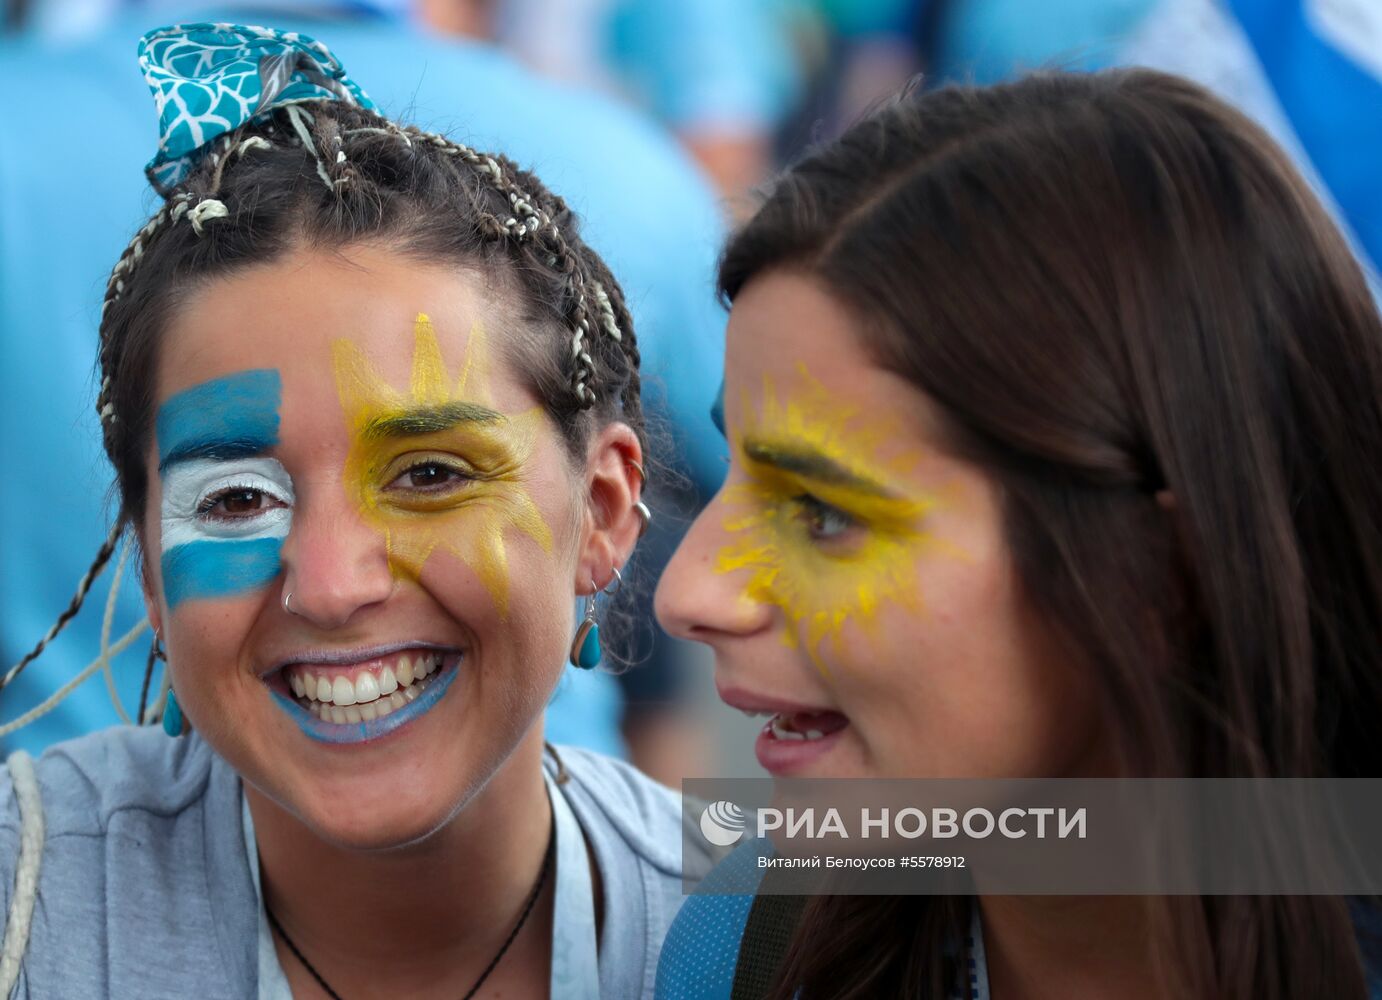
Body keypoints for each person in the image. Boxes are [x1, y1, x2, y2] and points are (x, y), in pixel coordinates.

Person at [0, 23, 700, 997]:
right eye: (236, 497)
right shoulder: (24, 903)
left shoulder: (778, 929)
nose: (328, 585)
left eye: (428, 476)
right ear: (152, 572)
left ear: (603, 510)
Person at [653, 69, 1382, 998]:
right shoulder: (748, 944)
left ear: (1166, 575)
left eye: (824, 512)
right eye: (738, 475)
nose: (688, 592)